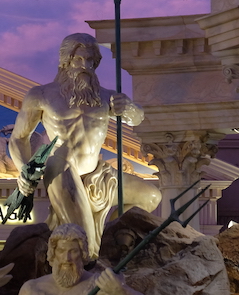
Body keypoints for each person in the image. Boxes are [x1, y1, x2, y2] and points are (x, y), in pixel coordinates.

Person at [9, 33, 152, 258]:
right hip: (62, 169)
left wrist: (130, 108)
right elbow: (18, 138)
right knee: (84, 243)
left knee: (150, 196)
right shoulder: (42, 95)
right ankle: (90, 257)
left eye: (90, 60)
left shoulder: (106, 97)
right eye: (78, 59)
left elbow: (137, 118)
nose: (85, 66)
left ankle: (111, 238)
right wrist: (25, 171)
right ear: (66, 61)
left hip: (98, 176)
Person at [17, 224, 140, 295]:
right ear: (53, 253)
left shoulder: (100, 285)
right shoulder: (32, 289)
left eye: (73, 251)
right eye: (61, 251)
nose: (67, 258)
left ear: (83, 254)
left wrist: (121, 291)